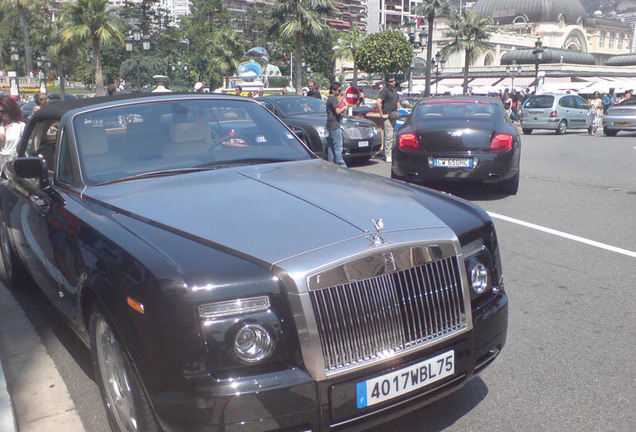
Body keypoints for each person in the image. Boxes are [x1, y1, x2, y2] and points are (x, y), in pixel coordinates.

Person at [377, 76, 402, 163]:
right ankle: (388, 155)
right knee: (389, 136)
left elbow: (398, 101)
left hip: (393, 116)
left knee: (392, 135)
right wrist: (382, 114)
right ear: (387, 82)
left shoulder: (394, 91)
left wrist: (398, 106)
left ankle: (389, 153)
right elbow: (379, 102)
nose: (393, 83)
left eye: (394, 81)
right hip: (387, 116)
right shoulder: (384, 91)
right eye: (391, 81)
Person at [0, 96, 26, 171]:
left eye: (3, 111)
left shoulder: (20, 126)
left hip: (13, 163)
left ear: (11, 110)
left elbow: (26, 147)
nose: (1, 114)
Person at [325, 82, 349, 167]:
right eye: (339, 90)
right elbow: (337, 111)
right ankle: (341, 164)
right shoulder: (333, 99)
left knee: (331, 146)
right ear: (333, 90)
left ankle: (331, 163)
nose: (340, 92)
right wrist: (344, 108)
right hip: (335, 125)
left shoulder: (329, 99)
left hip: (330, 124)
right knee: (338, 146)